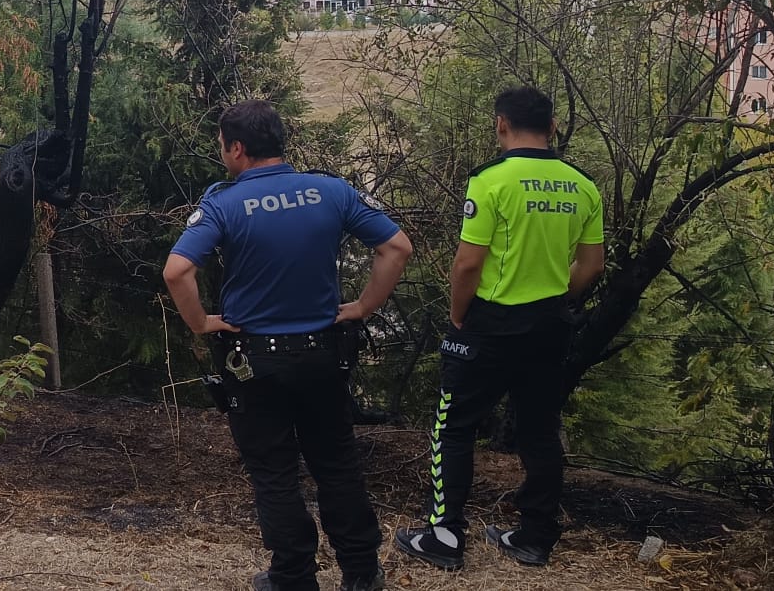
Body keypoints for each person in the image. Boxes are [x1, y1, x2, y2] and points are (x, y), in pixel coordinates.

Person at [165, 100, 414, 591]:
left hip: (254, 361)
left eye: (222, 145)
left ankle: (294, 576)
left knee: (274, 472)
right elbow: (396, 247)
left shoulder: (223, 203)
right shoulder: (332, 190)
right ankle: (362, 572)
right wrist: (363, 306)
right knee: (337, 464)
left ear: (237, 148)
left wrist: (201, 323)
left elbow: (177, 271)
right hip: (324, 354)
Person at [394, 86, 605, 570]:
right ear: (553, 127)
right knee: (540, 431)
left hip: (490, 322)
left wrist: (458, 315)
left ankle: (444, 535)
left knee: (454, 426)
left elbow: (468, 264)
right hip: (549, 324)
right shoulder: (583, 185)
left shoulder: (491, 180)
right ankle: (535, 537)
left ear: (501, 124)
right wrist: (558, 298)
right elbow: (592, 265)